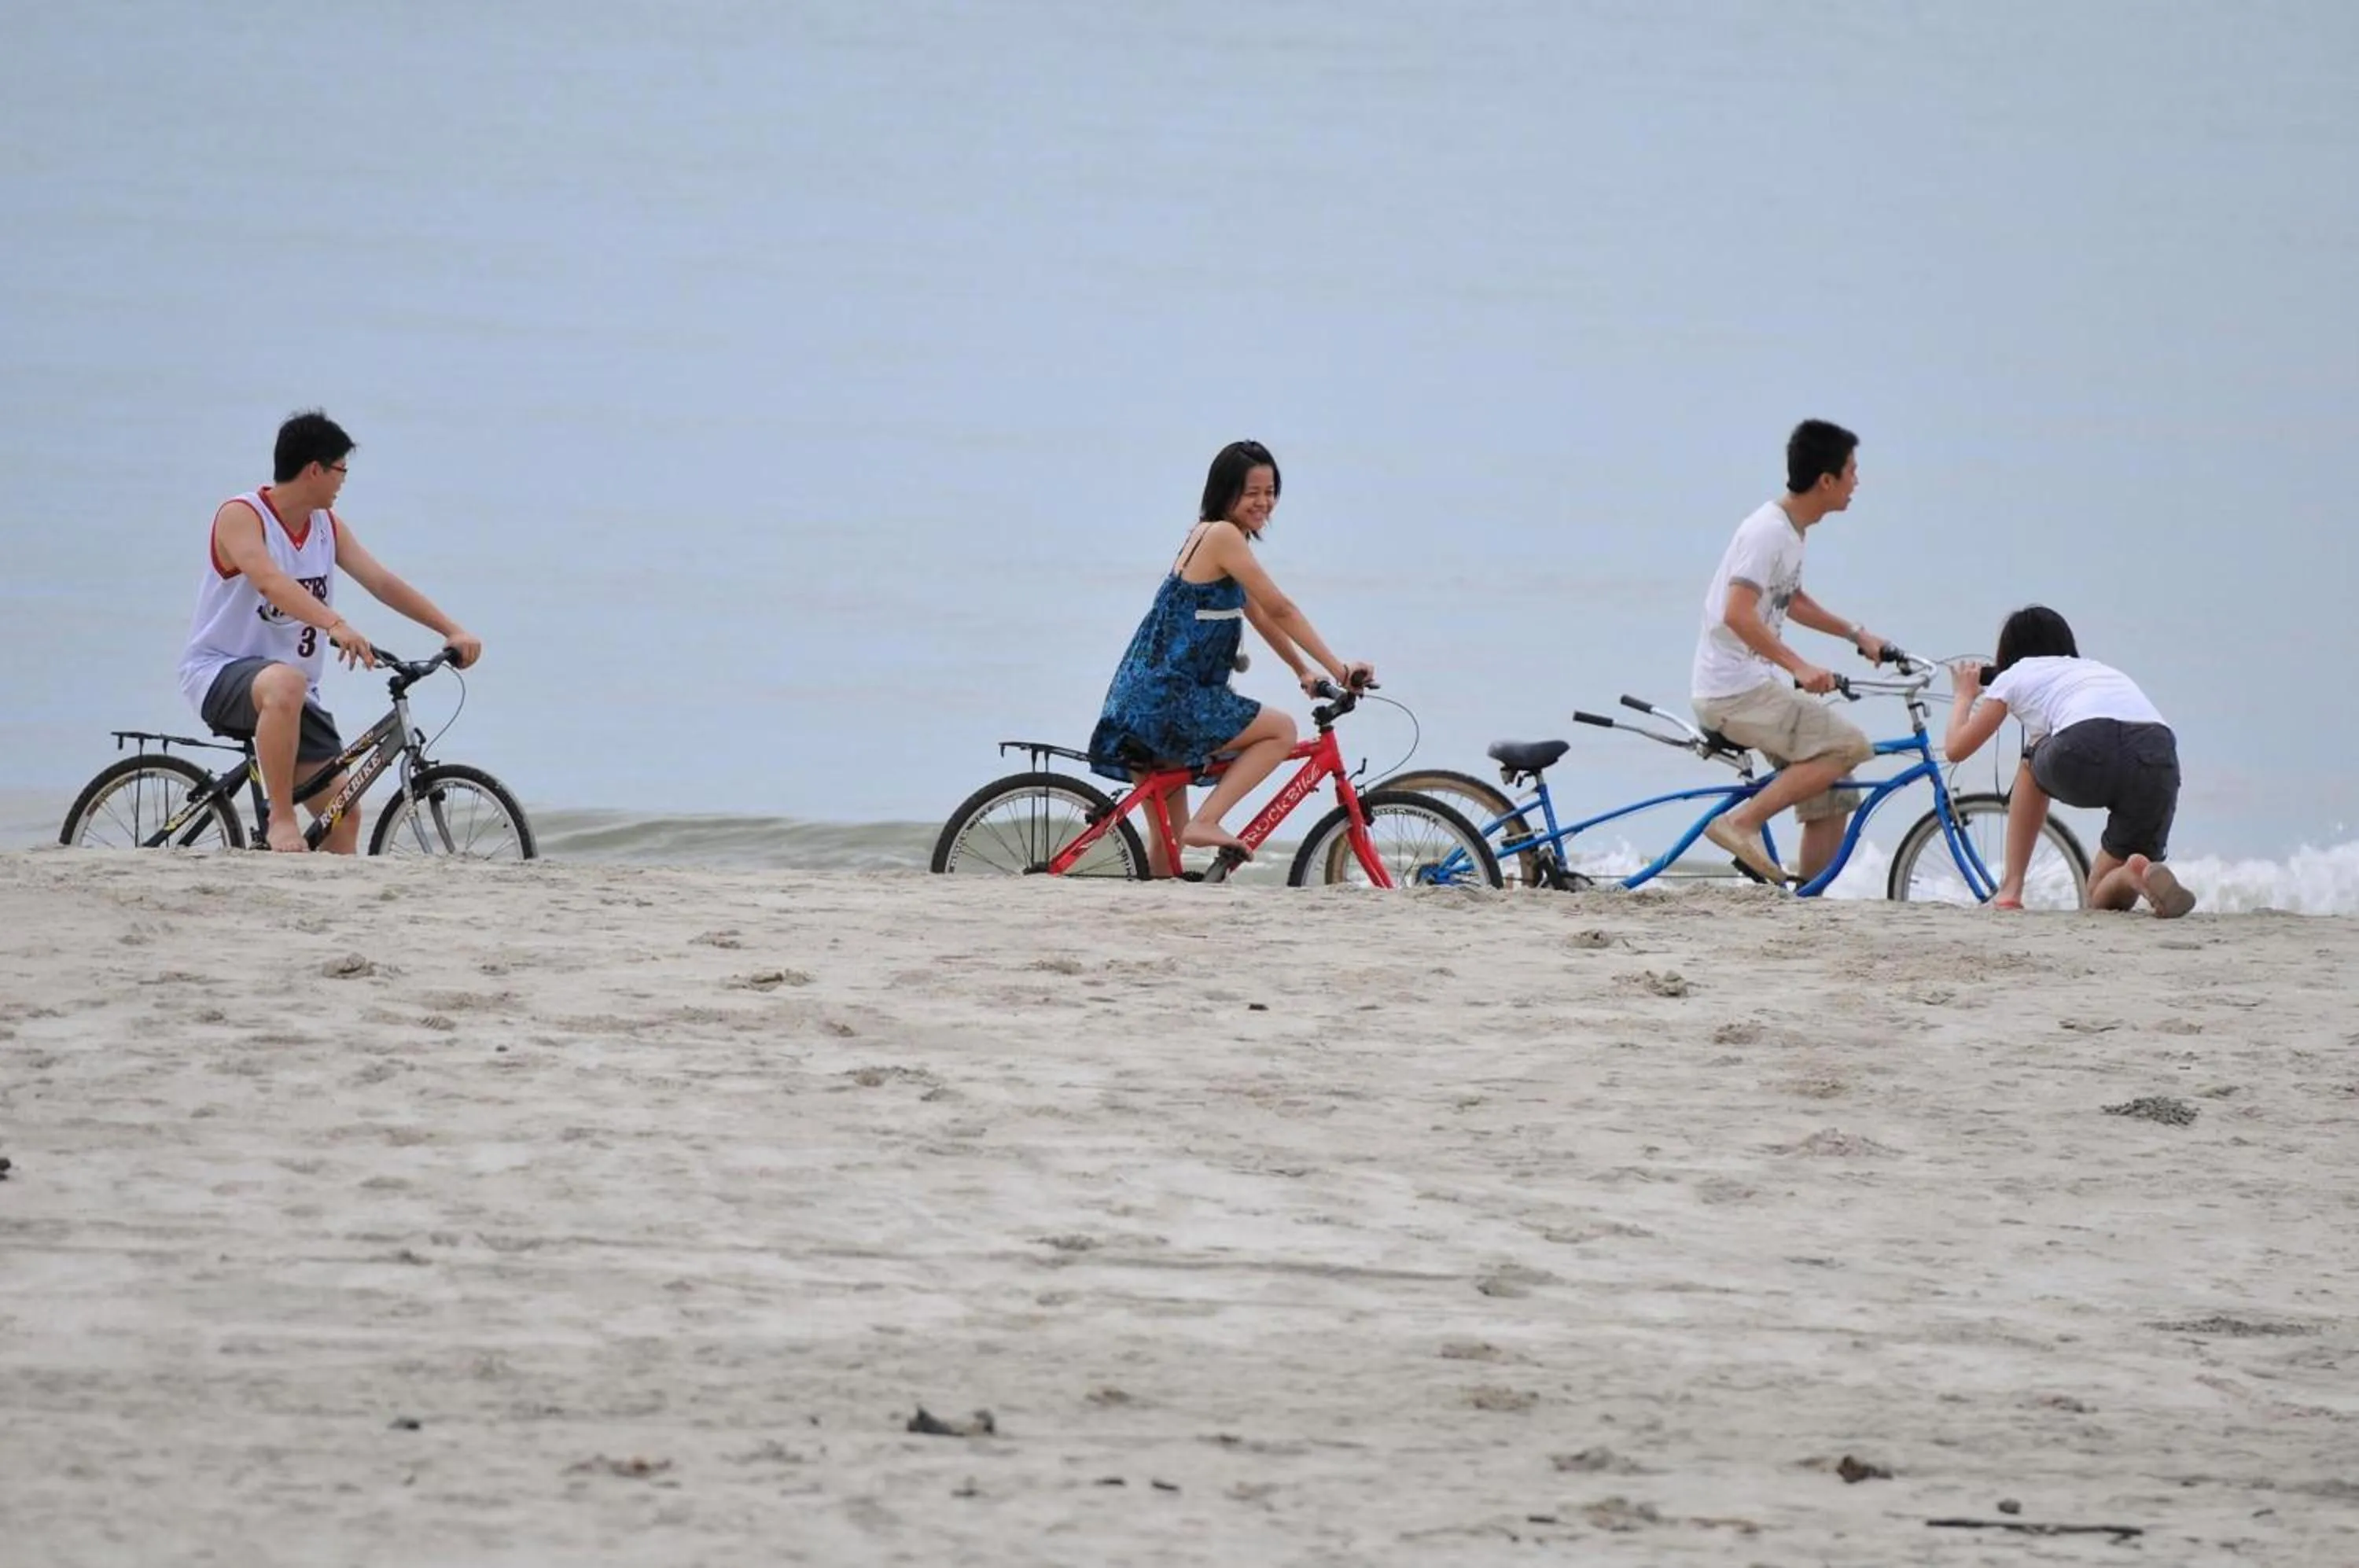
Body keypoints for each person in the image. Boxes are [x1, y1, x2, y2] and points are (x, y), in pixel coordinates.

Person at [177, 410, 483, 854]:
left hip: (295, 696)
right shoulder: (242, 516)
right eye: (341, 469)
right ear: (314, 469)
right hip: (219, 673)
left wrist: (451, 629)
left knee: (342, 814)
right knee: (285, 679)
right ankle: (280, 821)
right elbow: (269, 581)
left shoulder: (327, 527)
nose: (343, 481)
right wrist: (334, 623)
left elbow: (382, 582)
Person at [1087, 440, 1372, 878]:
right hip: (1171, 701)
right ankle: (1208, 821)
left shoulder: (1209, 535)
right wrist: (1340, 669)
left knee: (1166, 845)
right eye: (1252, 492)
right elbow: (1281, 608)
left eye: (1270, 491)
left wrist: (1303, 671)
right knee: (1281, 731)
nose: (1264, 502)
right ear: (1225, 492)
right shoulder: (1222, 536)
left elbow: (1257, 614)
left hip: (1141, 699)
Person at [1689, 419, 1891, 885]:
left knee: (1834, 787)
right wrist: (1798, 666)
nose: (1857, 482)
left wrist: (1854, 633)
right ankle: (1742, 823)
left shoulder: (1793, 530)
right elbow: (1737, 613)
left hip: (1750, 685)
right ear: (1826, 480)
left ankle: (1809, 903)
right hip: (1732, 692)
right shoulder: (1768, 533)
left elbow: (1790, 599)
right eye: (1852, 471)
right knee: (1848, 745)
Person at [1944, 605, 2195, 916]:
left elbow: (1956, 749)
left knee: (2030, 760)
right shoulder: (2097, 669)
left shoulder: (2016, 673)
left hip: (2086, 742)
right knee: (2101, 896)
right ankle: (2137, 875)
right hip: (2158, 755)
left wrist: (1964, 697)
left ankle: (2010, 891)